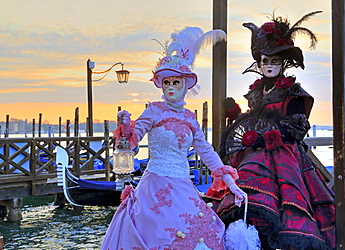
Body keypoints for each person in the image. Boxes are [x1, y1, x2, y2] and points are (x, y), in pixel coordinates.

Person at [101, 27, 246, 250]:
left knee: (202, 228)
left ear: (185, 84)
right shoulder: (153, 111)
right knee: (161, 234)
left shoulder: (190, 118)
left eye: (175, 82)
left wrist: (229, 182)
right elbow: (132, 141)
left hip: (183, 184)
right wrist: (126, 127)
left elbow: (205, 150)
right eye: (166, 82)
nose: (170, 87)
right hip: (156, 184)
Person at [205, 11, 336, 250]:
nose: (269, 66)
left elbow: (296, 128)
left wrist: (267, 136)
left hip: (284, 157)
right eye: (265, 61)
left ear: (283, 63)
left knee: (282, 206)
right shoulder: (256, 91)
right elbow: (252, 120)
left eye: (274, 61)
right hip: (252, 154)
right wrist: (235, 115)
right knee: (245, 198)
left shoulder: (292, 92)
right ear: (259, 62)